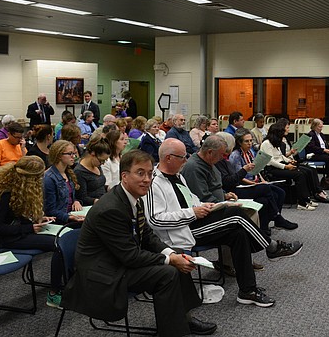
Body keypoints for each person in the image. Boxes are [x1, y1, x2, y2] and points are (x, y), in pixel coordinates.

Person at [61, 149, 216, 337]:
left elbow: (147, 235)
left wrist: (171, 254)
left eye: (150, 174)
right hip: (103, 273)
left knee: (177, 255)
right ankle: (173, 331)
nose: (147, 179)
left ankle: (183, 319)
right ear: (124, 176)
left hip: (117, 260)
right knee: (167, 272)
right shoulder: (111, 209)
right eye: (140, 173)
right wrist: (170, 260)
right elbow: (130, 257)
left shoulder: (134, 198)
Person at [145, 139, 301, 308]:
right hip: (181, 232)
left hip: (194, 221)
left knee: (238, 233)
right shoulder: (154, 183)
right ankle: (271, 247)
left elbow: (191, 200)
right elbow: (155, 219)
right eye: (182, 157)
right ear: (168, 158)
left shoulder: (178, 176)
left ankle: (247, 291)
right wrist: (192, 212)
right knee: (235, 215)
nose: (185, 160)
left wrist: (204, 206)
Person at [0, 156, 65, 308]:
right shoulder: (7, 193)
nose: (41, 180)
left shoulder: (21, 188)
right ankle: (54, 293)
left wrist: (38, 219)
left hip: (21, 231)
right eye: (38, 177)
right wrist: (29, 228)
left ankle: (68, 283)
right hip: (10, 238)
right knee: (59, 245)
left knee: (66, 237)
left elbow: (18, 215)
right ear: (29, 178)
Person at [227, 129, 297, 231]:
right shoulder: (236, 156)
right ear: (239, 142)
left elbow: (257, 169)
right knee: (265, 198)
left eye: (251, 141)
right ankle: (275, 219)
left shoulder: (250, 152)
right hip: (243, 186)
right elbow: (239, 177)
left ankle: (270, 221)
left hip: (255, 181)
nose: (250, 144)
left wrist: (262, 180)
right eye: (246, 141)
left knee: (280, 193)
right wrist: (256, 184)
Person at [260, 121, 316, 211]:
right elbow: (271, 161)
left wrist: (289, 161)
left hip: (280, 165)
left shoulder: (275, 142)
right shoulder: (266, 143)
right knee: (299, 174)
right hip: (271, 169)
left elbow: (280, 156)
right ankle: (301, 202)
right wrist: (285, 167)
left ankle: (306, 198)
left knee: (303, 172)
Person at [43, 140, 85, 225]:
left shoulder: (68, 173)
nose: (74, 156)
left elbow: (69, 197)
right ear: (59, 156)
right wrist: (70, 217)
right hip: (60, 220)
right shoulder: (49, 178)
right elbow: (50, 210)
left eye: (74, 153)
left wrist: (76, 201)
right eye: (70, 154)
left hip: (71, 214)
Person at [74, 137, 110, 205]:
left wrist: (108, 188)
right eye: (101, 160)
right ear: (93, 154)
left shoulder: (97, 165)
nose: (103, 163)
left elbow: (98, 186)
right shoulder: (79, 172)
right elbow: (82, 198)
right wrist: (97, 201)